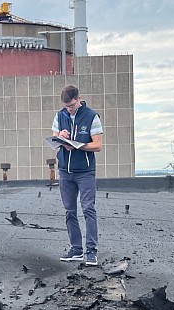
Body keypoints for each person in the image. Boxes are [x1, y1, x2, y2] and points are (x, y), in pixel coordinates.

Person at [51, 85, 103, 266]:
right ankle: (76, 249)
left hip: (85, 172)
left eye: (72, 105)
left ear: (79, 99)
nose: (70, 109)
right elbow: (54, 136)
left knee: (88, 209)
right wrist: (61, 136)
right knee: (69, 211)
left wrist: (78, 145)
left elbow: (97, 145)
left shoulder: (91, 116)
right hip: (65, 171)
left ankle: (91, 251)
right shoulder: (60, 115)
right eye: (67, 107)